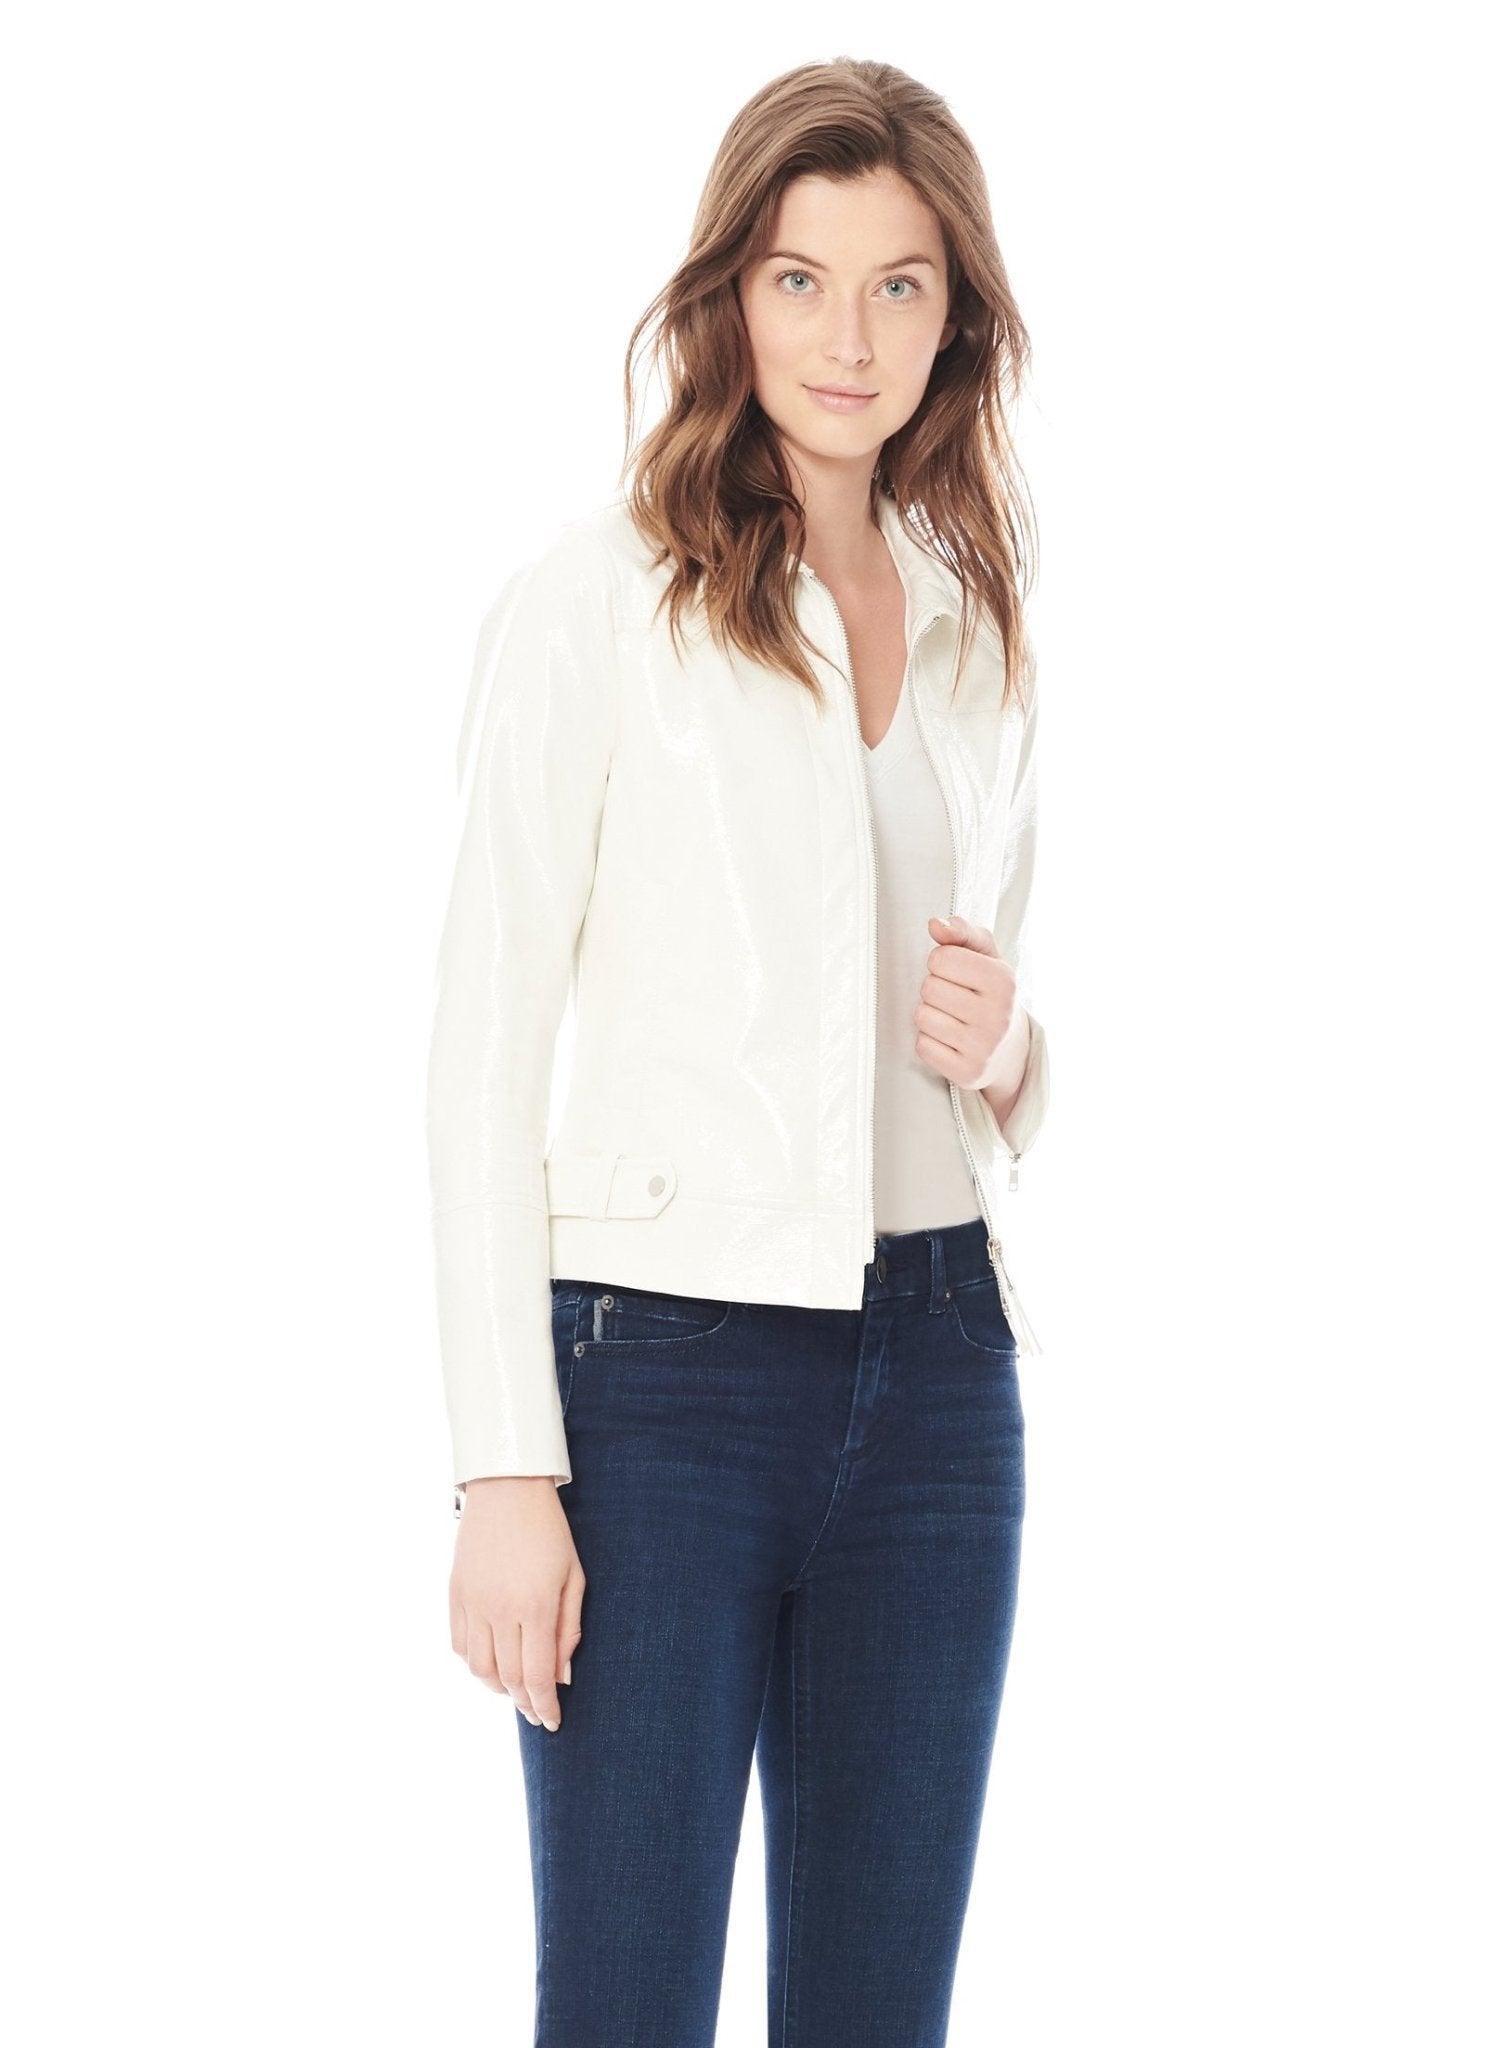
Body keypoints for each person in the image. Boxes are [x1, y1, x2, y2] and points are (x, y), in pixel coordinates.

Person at [425, 55, 1052, 2048]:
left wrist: (1015, 1052)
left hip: (940, 1378)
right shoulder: (597, 604)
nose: (845, 337)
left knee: (878, 2017)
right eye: (799, 280)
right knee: (623, 2008)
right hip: (660, 1388)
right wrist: (503, 1464)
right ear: (730, 295)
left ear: (951, 318)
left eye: (895, 285)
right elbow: (479, 1049)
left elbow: (980, 1024)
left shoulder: (973, 626)